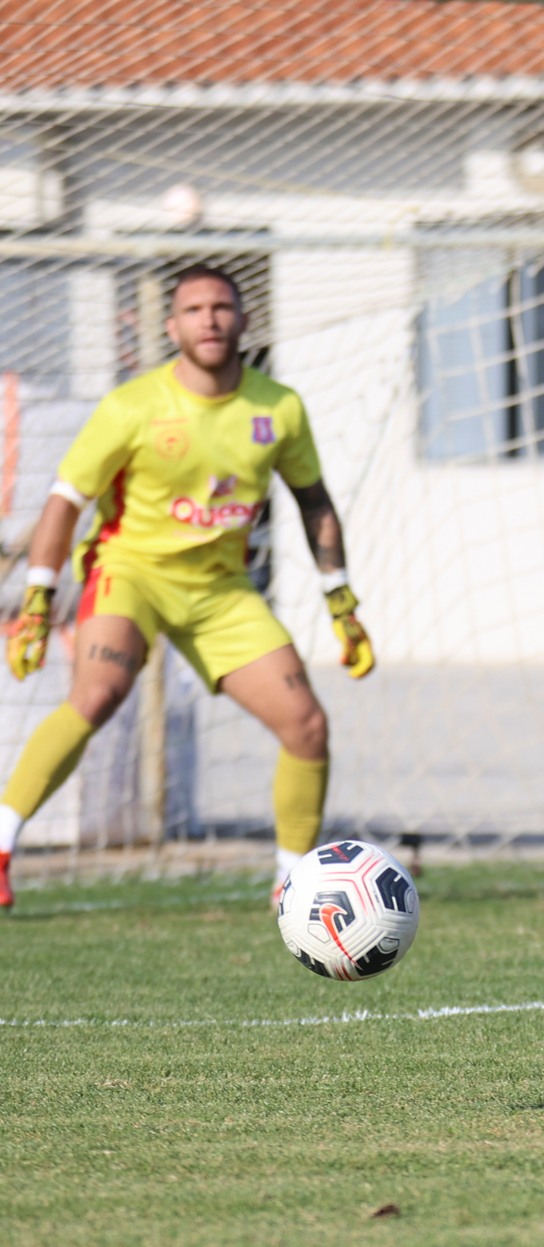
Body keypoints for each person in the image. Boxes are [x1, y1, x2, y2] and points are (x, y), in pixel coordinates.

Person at [0, 265, 374, 909]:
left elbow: (315, 502)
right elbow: (64, 502)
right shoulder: (132, 406)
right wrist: (39, 598)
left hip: (221, 591)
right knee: (97, 695)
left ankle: (292, 888)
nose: (210, 319)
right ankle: (2, 846)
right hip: (130, 573)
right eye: (195, 309)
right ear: (171, 326)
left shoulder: (278, 408)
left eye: (222, 307)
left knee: (307, 725)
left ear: (244, 319)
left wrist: (341, 602)